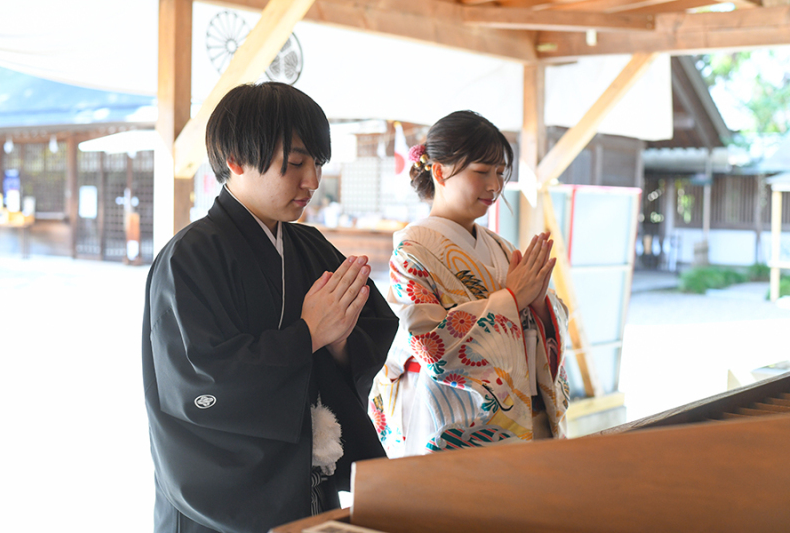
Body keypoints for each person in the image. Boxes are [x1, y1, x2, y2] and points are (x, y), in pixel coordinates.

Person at [142, 82, 398, 533]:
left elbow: (366, 334)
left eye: (317, 163)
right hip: (223, 505)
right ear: (236, 159)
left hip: (306, 484)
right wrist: (307, 335)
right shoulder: (190, 257)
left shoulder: (310, 246)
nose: (312, 181)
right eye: (296, 163)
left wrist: (339, 341)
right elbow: (200, 385)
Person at [369, 110, 570, 457]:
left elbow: (536, 324)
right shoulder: (412, 250)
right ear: (439, 171)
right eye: (481, 171)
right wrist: (511, 300)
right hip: (445, 414)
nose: (494, 185)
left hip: (519, 416)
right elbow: (427, 341)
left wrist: (538, 305)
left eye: (500, 173)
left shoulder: (501, 248)